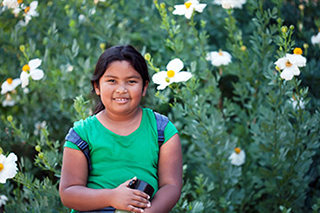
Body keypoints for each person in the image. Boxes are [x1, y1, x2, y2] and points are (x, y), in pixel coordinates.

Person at [59, 45, 183, 213]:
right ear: (97, 86)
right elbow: (68, 193)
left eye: (131, 81)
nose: (121, 89)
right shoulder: (82, 135)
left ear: (144, 87)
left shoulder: (162, 130)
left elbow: (171, 186)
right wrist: (112, 197)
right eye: (112, 81)